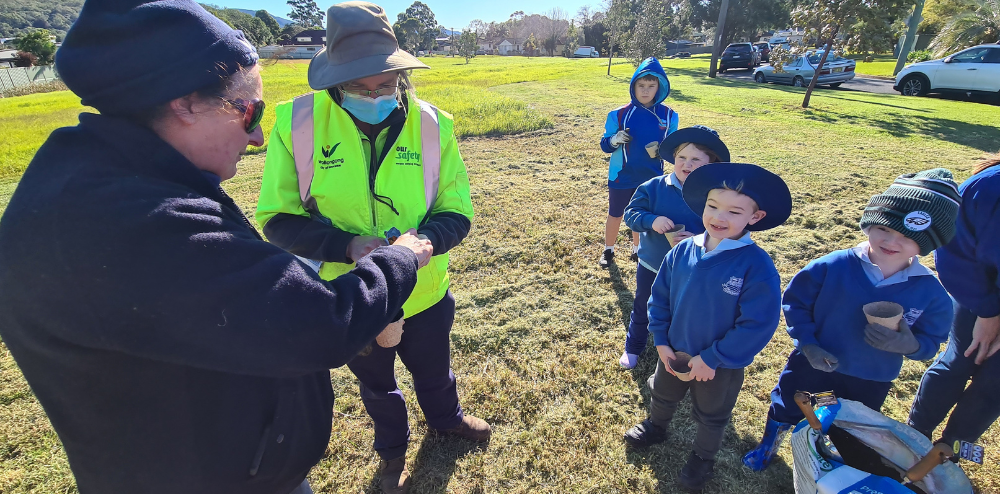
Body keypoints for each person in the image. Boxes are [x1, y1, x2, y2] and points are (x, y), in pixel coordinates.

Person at [0, 1, 433, 493]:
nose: (256, 136)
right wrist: (399, 260)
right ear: (184, 103)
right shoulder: (139, 221)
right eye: (249, 110)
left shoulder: (105, 180)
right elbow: (316, 324)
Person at [254, 3, 486, 492]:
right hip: (353, 296)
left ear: (401, 72)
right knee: (377, 385)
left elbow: (457, 208)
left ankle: (447, 419)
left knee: (435, 369)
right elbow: (276, 218)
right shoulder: (296, 122)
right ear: (334, 81)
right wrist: (347, 245)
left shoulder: (432, 124)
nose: (375, 95)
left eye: (386, 84)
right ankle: (392, 454)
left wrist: (423, 242)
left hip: (424, 287)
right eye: (359, 88)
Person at [742, 169, 959, 472]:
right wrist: (808, 344)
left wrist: (909, 343)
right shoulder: (833, 265)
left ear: (927, 244)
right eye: (884, 228)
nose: (892, 241)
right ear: (870, 221)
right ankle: (768, 446)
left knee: (850, 423)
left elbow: (930, 343)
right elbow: (796, 302)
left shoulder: (931, 293)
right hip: (814, 361)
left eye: (907, 237)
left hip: (872, 376)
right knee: (790, 403)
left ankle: (830, 460)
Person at [623, 162, 792, 492]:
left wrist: (713, 358)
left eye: (734, 211)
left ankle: (703, 459)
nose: (719, 217)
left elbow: (757, 324)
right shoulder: (684, 249)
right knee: (662, 392)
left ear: (754, 218)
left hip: (720, 365)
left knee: (712, 415)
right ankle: (657, 426)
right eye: (713, 206)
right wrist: (661, 340)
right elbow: (660, 297)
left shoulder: (756, 265)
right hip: (672, 350)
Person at [908, 156, 1000, 452]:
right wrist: (988, 311)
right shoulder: (988, 187)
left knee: (996, 383)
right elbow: (955, 252)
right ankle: (914, 434)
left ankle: (951, 449)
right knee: (960, 360)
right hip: (978, 297)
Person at [618, 126, 729, 369]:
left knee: (683, 309)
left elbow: (726, 228)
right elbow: (631, 214)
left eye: (696, 160)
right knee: (644, 304)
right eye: (681, 158)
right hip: (653, 263)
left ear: (712, 163)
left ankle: (676, 347)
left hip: (694, 268)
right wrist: (651, 220)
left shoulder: (717, 194)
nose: (686, 164)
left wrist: (699, 238)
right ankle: (633, 347)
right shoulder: (654, 187)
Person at [598, 56, 678, 268]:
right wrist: (615, 140)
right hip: (621, 175)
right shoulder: (619, 114)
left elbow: (675, 149)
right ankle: (608, 250)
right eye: (641, 85)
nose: (645, 91)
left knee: (642, 215)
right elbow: (605, 145)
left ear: (659, 87)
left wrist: (664, 152)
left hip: (652, 177)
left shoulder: (670, 116)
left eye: (651, 86)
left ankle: (638, 250)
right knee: (615, 213)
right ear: (633, 86)